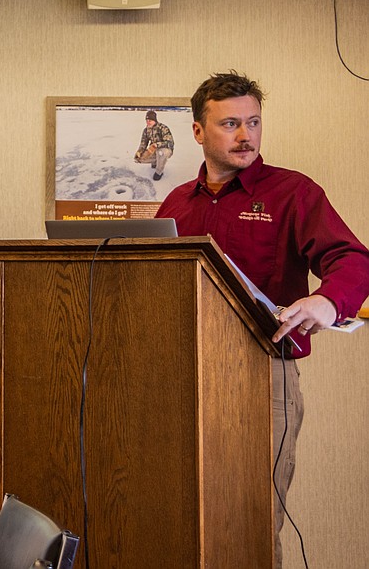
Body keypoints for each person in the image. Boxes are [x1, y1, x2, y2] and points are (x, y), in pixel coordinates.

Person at [155, 71, 369, 568]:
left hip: (261, 375)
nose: (245, 135)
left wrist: (328, 302)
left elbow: (354, 260)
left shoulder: (293, 193)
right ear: (197, 131)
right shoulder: (175, 205)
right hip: (178, 379)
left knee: (249, 519)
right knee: (178, 515)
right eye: (230, 123)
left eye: (253, 122)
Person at [133, 109, 174, 180]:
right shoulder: (146, 130)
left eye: (150, 120)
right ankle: (155, 161)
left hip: (165, 149)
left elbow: (169, 142)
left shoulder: (163, 128)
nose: (148, 122)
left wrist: (157, 144)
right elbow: (143, 143)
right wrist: (139, 151)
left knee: (161, 153)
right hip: (153, 150)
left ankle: (159, 172)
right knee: (138, 159)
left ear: (155, 120)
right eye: (147, 120)